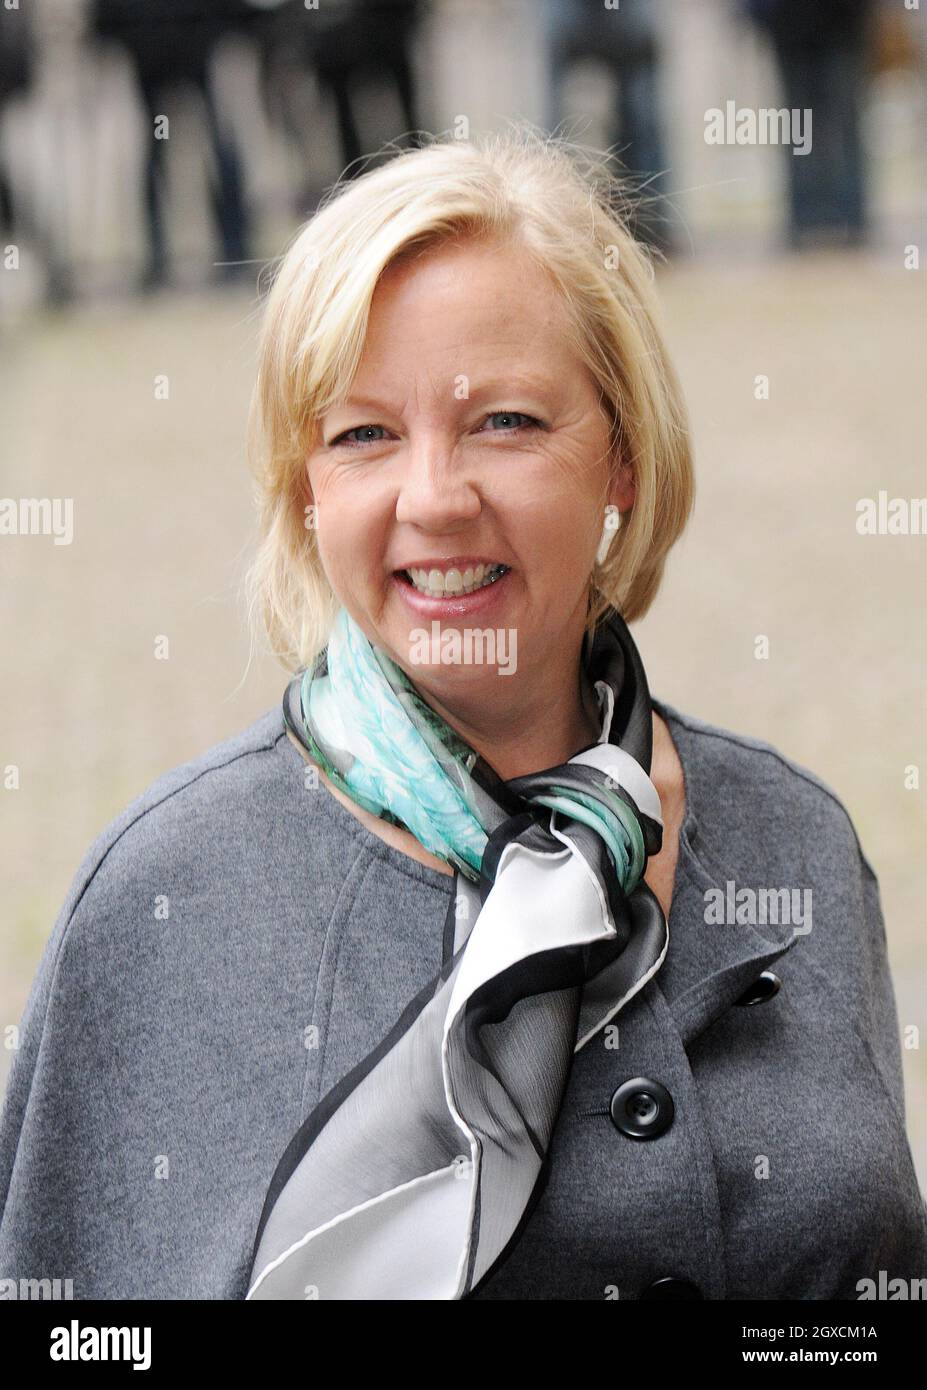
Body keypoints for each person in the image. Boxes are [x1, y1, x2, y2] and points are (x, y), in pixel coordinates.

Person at [1, 128, 925, 1300]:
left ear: (623, 459)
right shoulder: (162, 900)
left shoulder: (796, 838)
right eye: (365, 434)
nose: (435, 498)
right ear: (309, 489)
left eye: (507, 422)